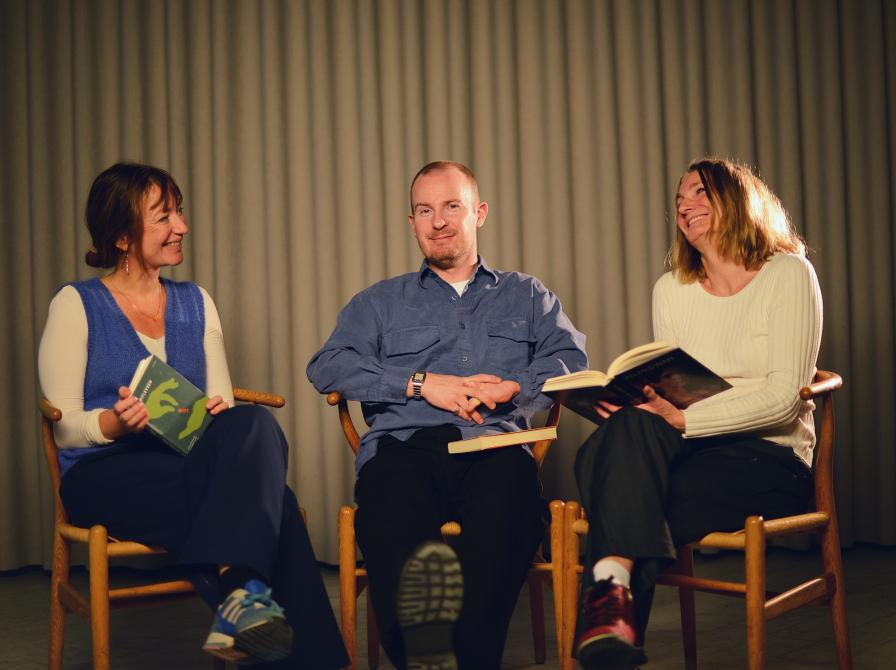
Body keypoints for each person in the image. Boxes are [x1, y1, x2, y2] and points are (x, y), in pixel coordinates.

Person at [38, 162, 348, 669]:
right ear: (121, 236)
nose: (181, 226)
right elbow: (65, 426)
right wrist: (112, 424)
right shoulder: (76, 304)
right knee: (280, 507)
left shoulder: (195, 301)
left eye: (179, 212)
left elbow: (222, 408)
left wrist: (217, 410)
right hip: (105, 475)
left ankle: (239, 593)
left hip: (189, 462)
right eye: (163, 217)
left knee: (250, 422)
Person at [307, 160, 588, 670]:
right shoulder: (379, 302)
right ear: (411, 222)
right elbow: (327, 366)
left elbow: (570, 359)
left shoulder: (527, 294)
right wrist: (419, 383)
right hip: (403, 447)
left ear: (478, 213)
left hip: (495, 445)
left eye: (451, 207)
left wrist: (514, 387)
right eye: (425, 210)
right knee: (393, 526)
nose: (438, 221)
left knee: (511, 511)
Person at [572, 158, 822, 669]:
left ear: (741, 201)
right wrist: (643, 406)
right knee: (629, 433)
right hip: (689, 453)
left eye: (701, 193)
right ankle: (610, 619)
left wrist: (685, 419)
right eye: (681, 198)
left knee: (617, 491)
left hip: (769, 460)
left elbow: (783, 398)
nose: (685, 205)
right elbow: (676, 390)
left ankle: (608, 598)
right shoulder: (672, 290)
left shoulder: (789, 275)